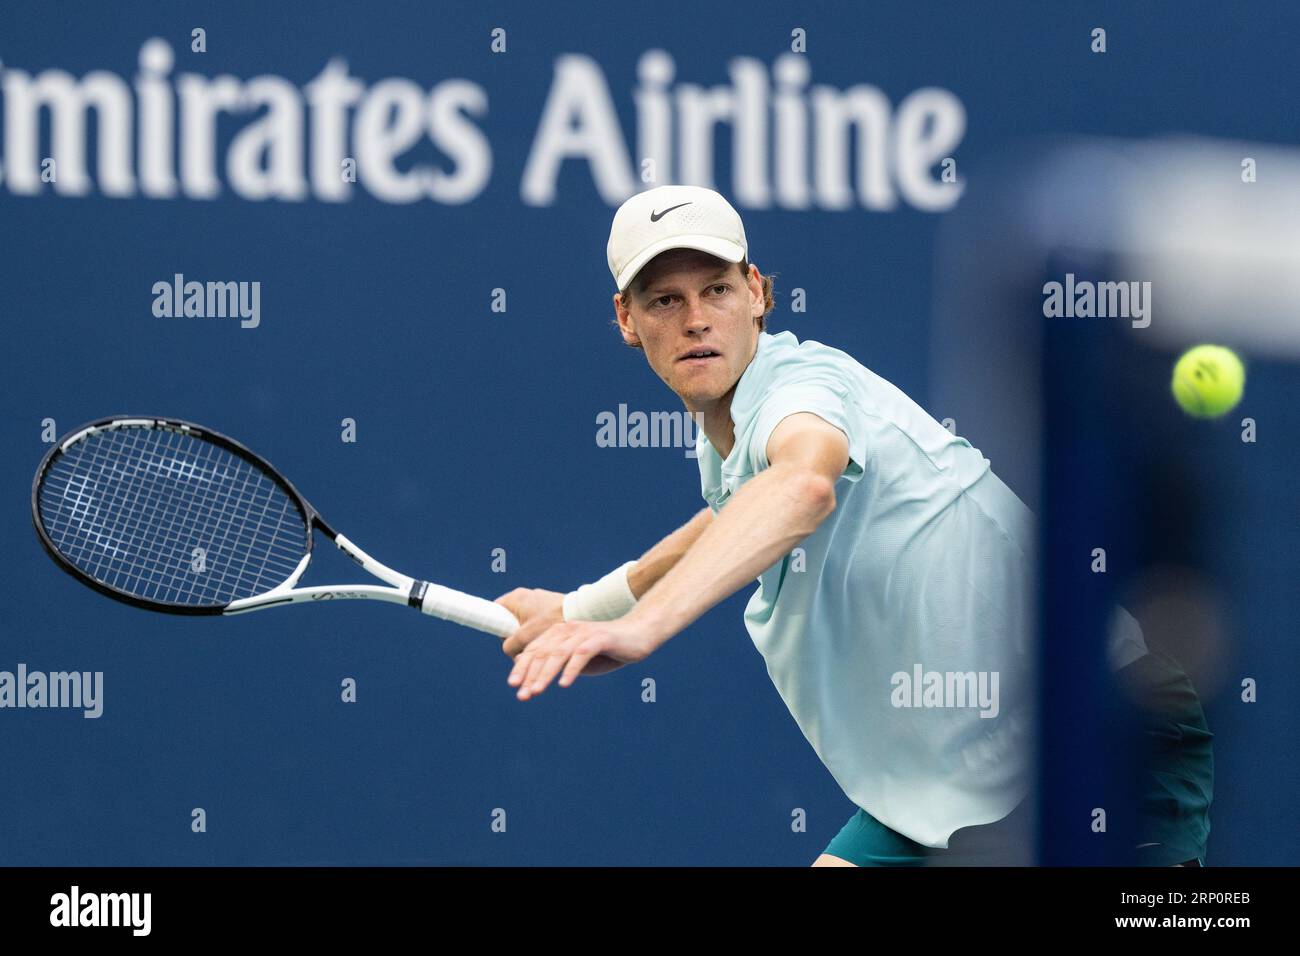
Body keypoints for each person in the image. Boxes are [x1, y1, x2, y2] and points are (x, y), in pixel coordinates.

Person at [495, 184, 1207, 866]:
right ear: (627, 319)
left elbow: (803, 484)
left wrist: (642, 629)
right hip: (945, 790)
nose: (696, 319)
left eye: (716, 290)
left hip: (1094, 727)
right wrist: (585, 607)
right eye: (665, 300)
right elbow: (731, 512)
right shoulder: (737, 436)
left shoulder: (804, 392)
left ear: (757, 293)